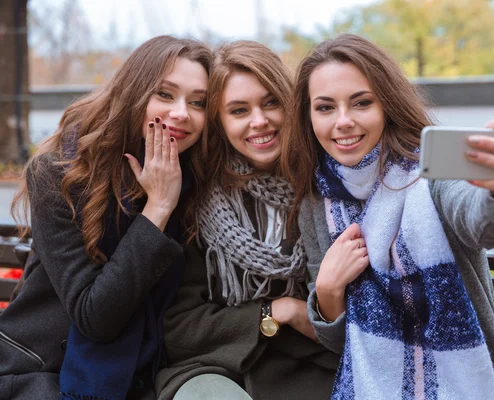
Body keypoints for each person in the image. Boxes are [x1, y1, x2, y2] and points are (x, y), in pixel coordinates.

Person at [281, 33, 494, 400]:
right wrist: (328, 291)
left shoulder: (428, 171)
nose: (343, 121)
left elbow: (477, 216)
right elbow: (341, 345)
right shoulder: (316, 203)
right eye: (325, 107)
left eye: (361, 103)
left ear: (386, 105)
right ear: (308, 116)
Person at [0, 35, 212, 400]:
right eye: (165, 94)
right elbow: (94, 317)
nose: (182, 112)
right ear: (134, 92)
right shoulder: (57, 175)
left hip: (150, 374)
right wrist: (158, 208)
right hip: (40, 371)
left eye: (198, 102)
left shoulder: (198, 186)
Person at [155, 40, 338, 400]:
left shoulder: (328, 188)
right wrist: (276, 312)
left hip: (316, 369)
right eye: (239, 110)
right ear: (220, 123)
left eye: (271, 102)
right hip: (214, 368)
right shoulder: (198, 199)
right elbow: (179, 326)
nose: (259, 121)